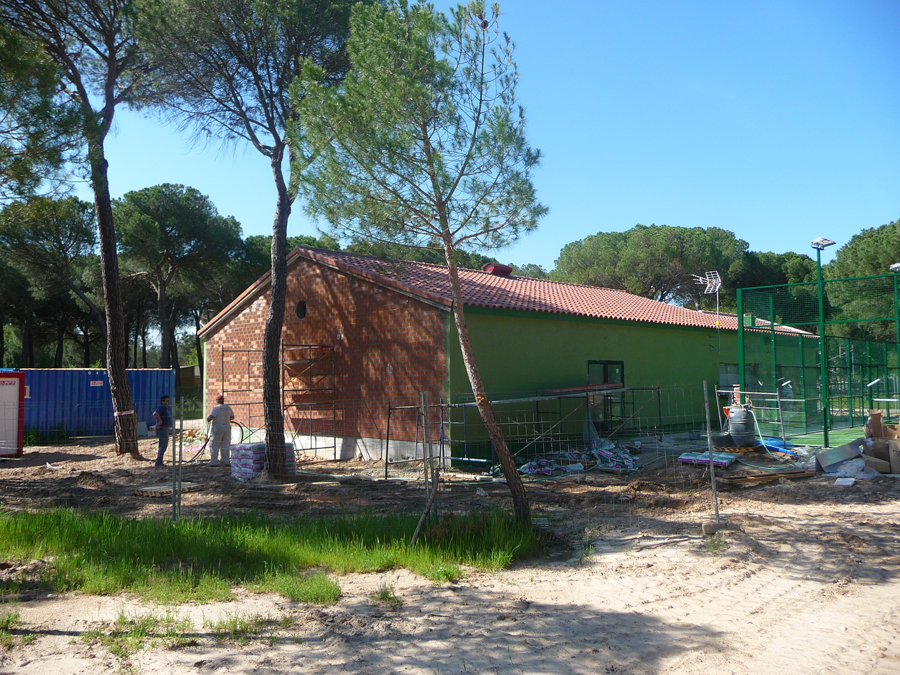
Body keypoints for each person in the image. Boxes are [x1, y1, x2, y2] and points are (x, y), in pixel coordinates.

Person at [206, 394, 234, 467]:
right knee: (225, 444)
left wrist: (208, 419)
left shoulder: (216, 408)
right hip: (227, 427)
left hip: (218, 427)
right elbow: (232, 417)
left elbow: (212, 416)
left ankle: (213, 462)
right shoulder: (228, 407)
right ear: (223, 400)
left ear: (217, 401)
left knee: (214, 444)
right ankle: (226, 461)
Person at [152, 395, 172, 467]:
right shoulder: (161, 407)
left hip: (165, 428)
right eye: (167, 401)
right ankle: (158, 462)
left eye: (169, 401)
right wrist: (160, 421)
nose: (168, 402)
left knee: (163, 445)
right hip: (162, 429)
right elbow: (155, 414)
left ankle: (160, 461)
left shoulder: (165, 408)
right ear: (162, 402)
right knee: (163, 445)